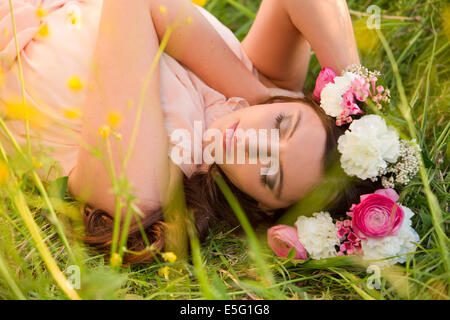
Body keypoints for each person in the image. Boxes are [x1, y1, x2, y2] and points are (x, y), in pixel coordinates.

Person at [0, 0, 376, 263]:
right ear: (294, 102)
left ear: (264, 207)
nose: (250, 141)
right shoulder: (261, 88)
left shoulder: (144, 191)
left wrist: (250, 90)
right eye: (280, 125)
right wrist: (358, 101)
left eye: (269, 172)